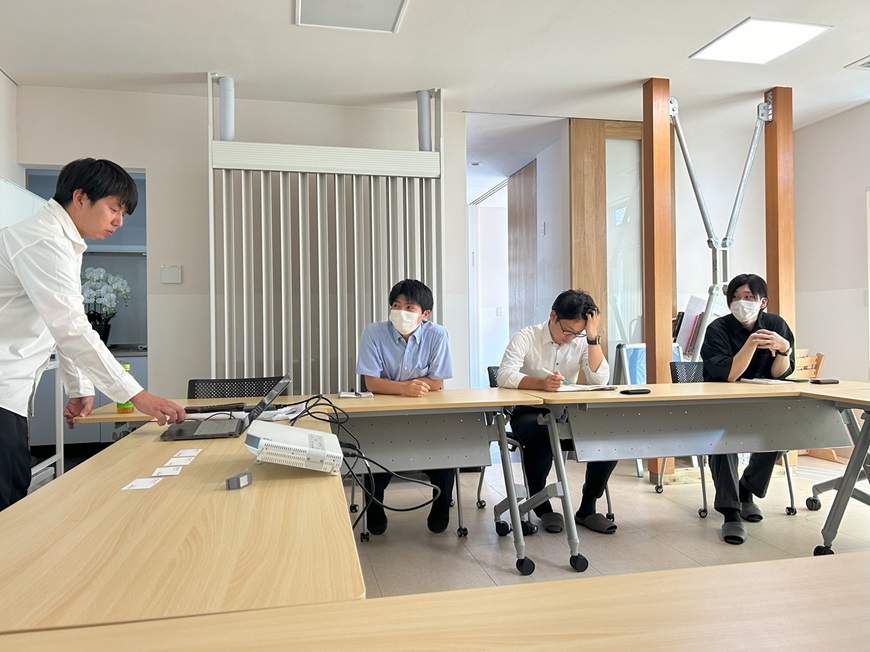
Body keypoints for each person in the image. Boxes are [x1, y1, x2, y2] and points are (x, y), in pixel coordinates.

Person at [0, 158, 186, 511]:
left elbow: (58, 323)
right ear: (80, 197)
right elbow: (71, 327)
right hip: (3, 387)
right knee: (8, 501)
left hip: (10, 389)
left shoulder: (61, 240)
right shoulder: (44, 241)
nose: (119, 221)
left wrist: (79, 386)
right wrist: (138, 396)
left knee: (11, 491)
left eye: (123, 213)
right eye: (114, 209)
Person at [497, 289, 616, 535]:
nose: (570, 339)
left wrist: (591, 338)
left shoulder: (582, 341)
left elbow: (600, 379)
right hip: (528, 412)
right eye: (567, 331)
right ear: (553, 316)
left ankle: (587, 508)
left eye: (577, 333)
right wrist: (540, 383)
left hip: (568, 412)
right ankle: (541, 506)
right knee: (542, 436)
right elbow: (504, 375)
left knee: (607, 436)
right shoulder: (526, 336)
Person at [700, 273, 795, 545]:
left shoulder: (775, 325)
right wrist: (751, 343)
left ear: (762, 302)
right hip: (721, 406)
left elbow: (780, 374)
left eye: (748, 297)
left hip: (762, 406)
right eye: (735, 297)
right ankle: (730, 512)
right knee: (723, 440)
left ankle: (746, 490)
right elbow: (730, 375)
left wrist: (785, 350)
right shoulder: (718, 329)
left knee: (781, 432)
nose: (740, 302)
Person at [356, 279, 454, 534]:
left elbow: (436, 381)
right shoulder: (374, 333)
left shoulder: (437, 334)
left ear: (425, 314)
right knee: (376, 457)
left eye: (409, 307)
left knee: (445, 454)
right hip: (383, 415)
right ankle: (374, 507)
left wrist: (402, 387)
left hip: (426, 414)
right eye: (396, 305)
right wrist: (405, 388)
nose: (401, 312)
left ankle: (441, 506)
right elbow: (371, 382)